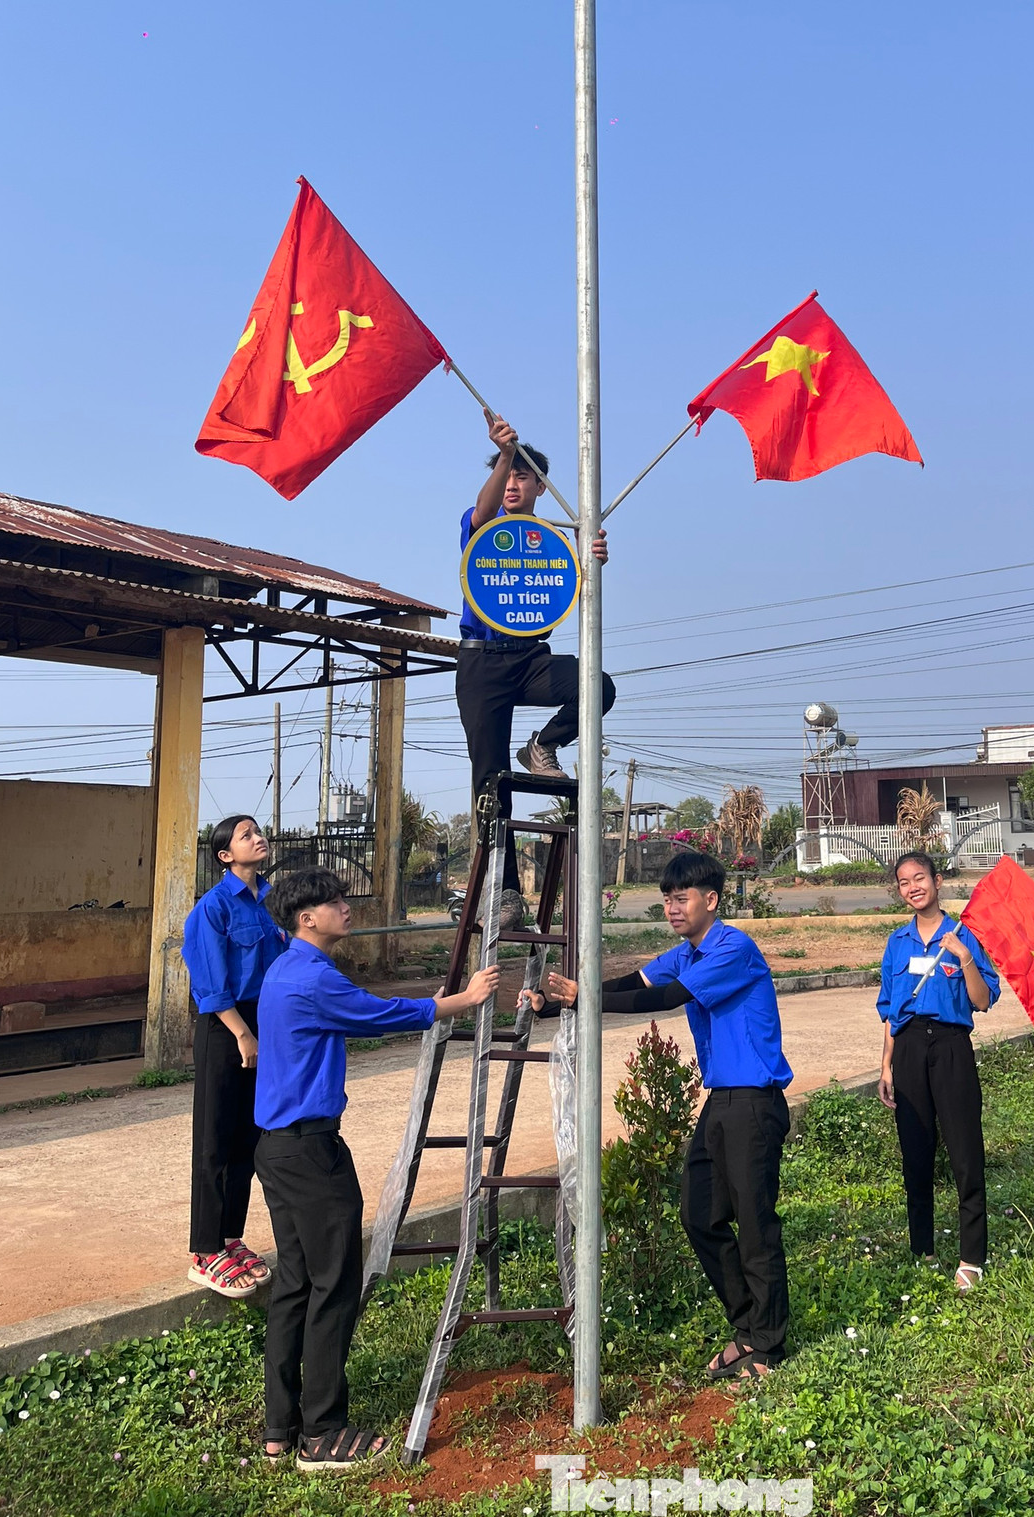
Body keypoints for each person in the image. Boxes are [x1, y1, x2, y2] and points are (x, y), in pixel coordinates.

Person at [254, 865, 500, 1470]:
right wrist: (461, 1001)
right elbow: (380, 1014)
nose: (346, 908)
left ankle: (279, 1429)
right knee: (333, 1286)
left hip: (281, 1147)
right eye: (335, 902)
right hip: (310, 1152)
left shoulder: (285, 968)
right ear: (305, 917)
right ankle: (324, 1434)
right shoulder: (311, 978)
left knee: (294, 1285)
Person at [524, 849, 792, 1383]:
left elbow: (668, 999)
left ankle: (768, 1344)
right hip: (721, 1103)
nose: (671, 907)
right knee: (699, 1213)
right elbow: (635, 984)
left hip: (754, 1103)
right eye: (666, 898)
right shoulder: (687, 951)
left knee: (756, 1224)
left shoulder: (732, 948)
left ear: (710, 900)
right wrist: (559, 1004)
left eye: (681, 897)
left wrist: (584, 998)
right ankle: (748, 1327)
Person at [455, 409, 615, 898]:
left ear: (541, 486)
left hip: (531, 660)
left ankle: (541, 746)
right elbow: (482, 512)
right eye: (504, 474)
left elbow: (573, 594)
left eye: (522, 476)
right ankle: (501, 893)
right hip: (481, 661)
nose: (510, 484)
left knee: (597, 686)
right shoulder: (480, 527)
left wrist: (594, 560)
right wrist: (505, 453)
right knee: (489, 782)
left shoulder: (553, 540)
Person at [876, 851, 1000, 1292]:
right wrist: (887, 1066)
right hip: (908, 1049)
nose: (913, 887)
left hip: (950, 1048)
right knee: (916, 1149)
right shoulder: (897, 943)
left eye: (919, 878)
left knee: (964, 1150)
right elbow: (891, 1011)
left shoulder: (965, 935)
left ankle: (972, 1257)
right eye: (904, 882)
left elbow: (983, 1000)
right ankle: (922, 1246)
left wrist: (964, 955)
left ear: (938, 880)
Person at [180, 814, 287, 1298]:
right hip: (227, 1030)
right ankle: (204, 1252)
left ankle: (229, 1238)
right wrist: (244, 1035)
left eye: (257, 831)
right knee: (215, 1140)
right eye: (246, 835)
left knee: (248, 1138)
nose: (258, 837)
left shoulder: (269, 904)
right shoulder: (212, 908)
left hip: (260, 1026)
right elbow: (210, 985)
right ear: (225, 856)